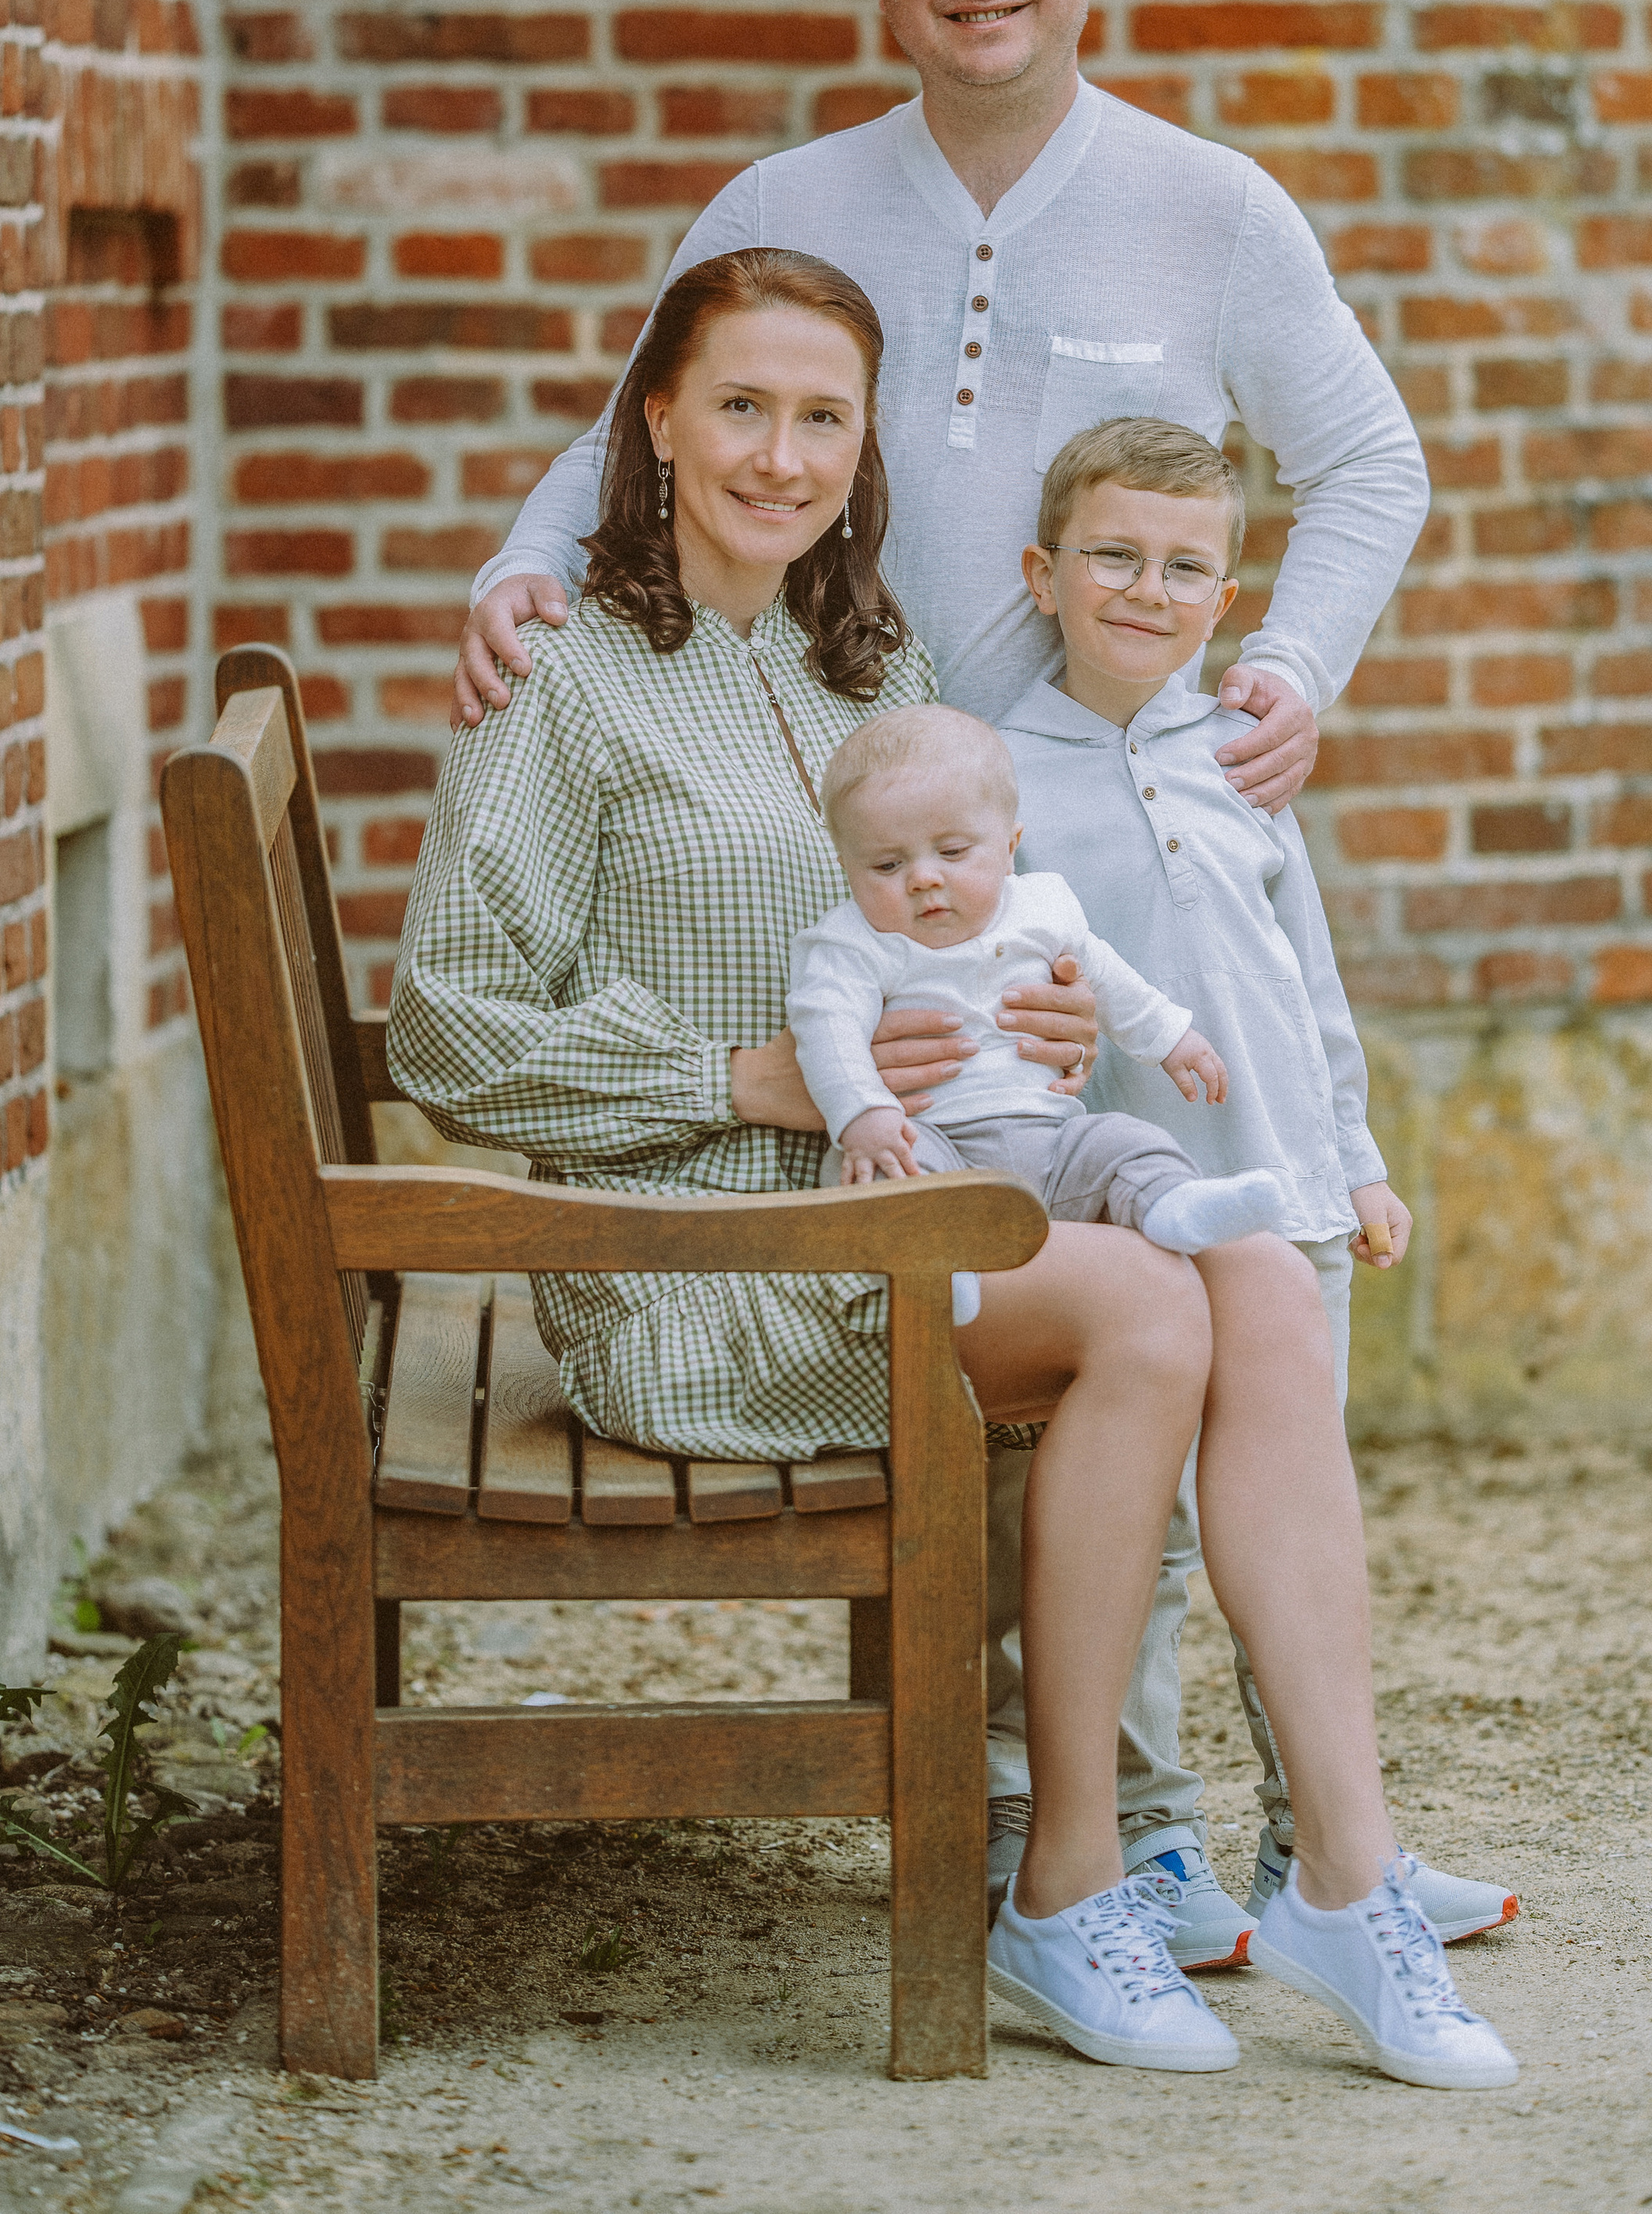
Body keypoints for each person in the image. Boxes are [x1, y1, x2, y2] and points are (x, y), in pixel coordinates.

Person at [445, 0, 1439, 1955]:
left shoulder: (1211, 207)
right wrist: (527, 573)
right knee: (1087, 1312)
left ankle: (1287, 1819)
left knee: (1245, 1298)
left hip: (1138, 849)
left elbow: (1368, 461)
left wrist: (1294, 658)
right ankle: (1105, 1817)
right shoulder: (788, 196)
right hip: (912, 884)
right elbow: (635, 423)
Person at [392, 246, 1520, 2086]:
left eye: (819, 415)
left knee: (1254, 1279)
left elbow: (960, 943)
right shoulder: (563, 680)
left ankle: (1338, 1861)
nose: (777, 452)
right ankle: (1070, 1876)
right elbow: (445, 1024)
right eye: (738, 405)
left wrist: (1038, 1026)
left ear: (862, 444)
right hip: (702, 1272)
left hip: (899, 1210)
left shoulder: (872, 664)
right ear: (654, 419)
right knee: (1155, 1307)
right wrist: (745, 1073)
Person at [1000, 415, 1518, 1946]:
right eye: (1111, 554)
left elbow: (1308, 983)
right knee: (1144, 1537)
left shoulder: (1237, 756)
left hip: (1285, 1199)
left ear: (1227, 596)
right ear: (1043, 571)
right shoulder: (999, 773)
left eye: (1183, 566)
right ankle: (1153, 1842)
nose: (1144, 589)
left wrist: (1348, 1156)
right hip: (1137, 1222)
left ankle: (1323, 1839)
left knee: (1297, 1519)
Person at [790, 701, 1299, 1278]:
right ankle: (934, 1275)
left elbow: (1105, 974)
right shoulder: (852, 944)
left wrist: (1169, 1035)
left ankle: (1172, 1205)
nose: (924, 877)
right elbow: (827, 1030)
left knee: (1124, 1141)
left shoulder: (1042, 905)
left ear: (1011, 844)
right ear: (847, 867)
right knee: (883, 1174)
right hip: (935, 1142)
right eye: (886, 865)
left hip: (1055, 1145)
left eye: (953, 852)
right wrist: (863, 1113)